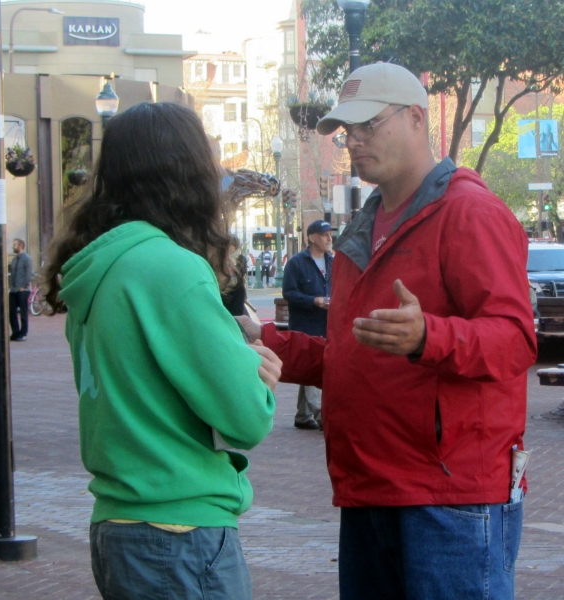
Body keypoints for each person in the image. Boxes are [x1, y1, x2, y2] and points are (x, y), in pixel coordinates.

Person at [241, 62, 537, 600]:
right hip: (370, 487)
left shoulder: (470, 213)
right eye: (346, 131)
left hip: (449, 495)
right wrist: (262, 337)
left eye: (367, 125)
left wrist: (430, 337)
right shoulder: (363, 229)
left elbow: (516, 339)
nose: (353, 141)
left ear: (417, 120)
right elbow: (350, 355)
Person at [43, 101, 281, 600]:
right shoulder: (172, 268)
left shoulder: (99, 266)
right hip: (181, 528)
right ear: (188, 170)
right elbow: (246, 419)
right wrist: (254, 371)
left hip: (118, 523)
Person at [282, 219, 335, 430]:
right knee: (314, 364)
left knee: (312, 365)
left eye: (330, 234)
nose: (329, 238)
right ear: (312, 238)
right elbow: (289, 292)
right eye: (325, 234)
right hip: (305, 323)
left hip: (326, 323)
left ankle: (303, 415)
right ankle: (321, 414)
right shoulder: (296, 263)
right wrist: (313, 301)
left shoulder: (333, 261)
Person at [9, 238, 33, 341]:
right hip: (14, 290)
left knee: (23, 312)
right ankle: (15, 332)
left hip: (23, 290)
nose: (13, 246)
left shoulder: (27, 258)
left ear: (21, 246)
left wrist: (24, 286)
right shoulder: (14, 260)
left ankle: (23, 333)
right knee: (11, 311)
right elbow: (12, 274)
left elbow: (28, 273)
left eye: (15, 244)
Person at [221, 235, 248, 316]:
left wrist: (232, 262)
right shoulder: (220, 258)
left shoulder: (240, 259)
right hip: (223, 290)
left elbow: (241, 274)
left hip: (236, 290)